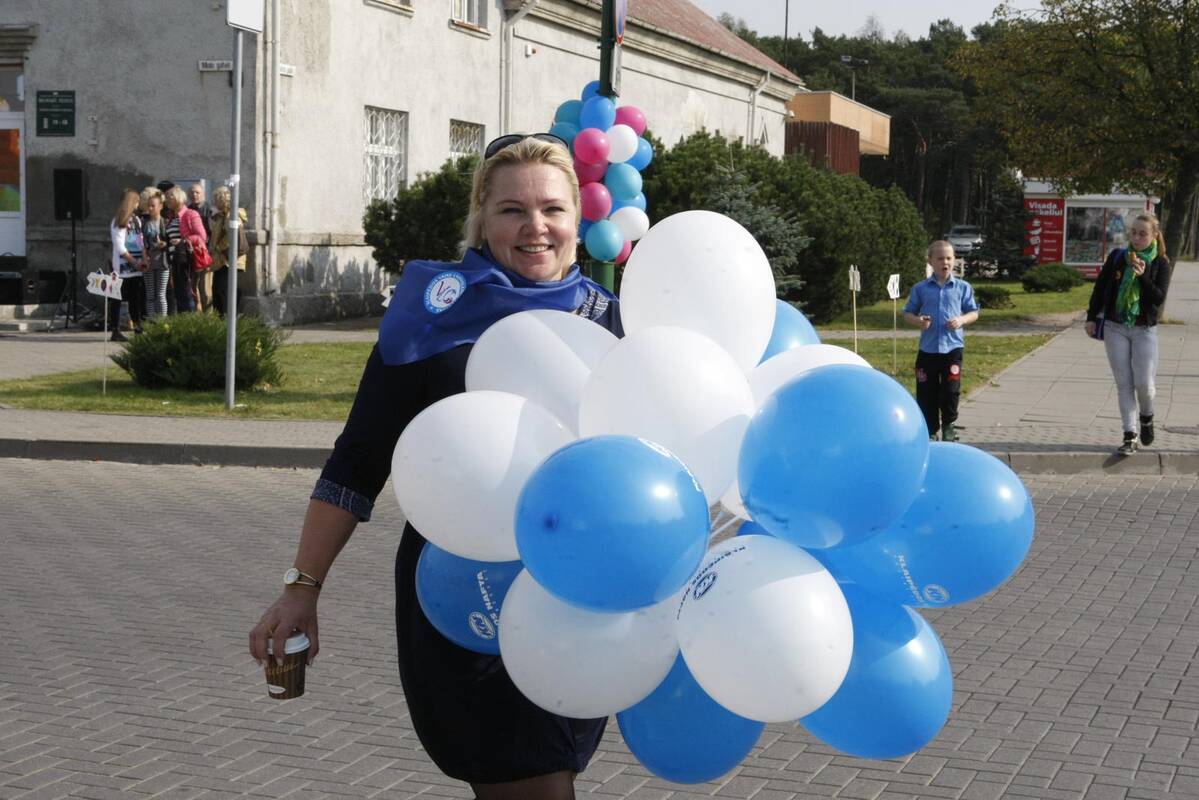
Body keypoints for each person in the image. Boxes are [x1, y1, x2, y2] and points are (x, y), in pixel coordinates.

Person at [248, 134, 621, 800]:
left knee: (550, 770)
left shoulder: (611, 324)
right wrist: (301, 587)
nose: (535, 227)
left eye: (552, 209)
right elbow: (358, 461)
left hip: (579, 594)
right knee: (529, 777)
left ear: (578, 219)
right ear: (481, 218)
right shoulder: (432, 317)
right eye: (512, 210)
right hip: (465, 594)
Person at [1085, 212, 1172, 455]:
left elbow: (1158, 298)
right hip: (1115, 326)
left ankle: (1147, 416)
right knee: (1124, 384)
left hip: (1144, 329)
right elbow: (1101, 288)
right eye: (1133, 232)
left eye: (1142, 234)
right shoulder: (1118, 257)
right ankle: (1129, 435)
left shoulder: (1161, 263)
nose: (1136, 238)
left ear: (1154, 236)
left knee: (1145, 385)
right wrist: (1091, 317)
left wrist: (1142, 276)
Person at [904, 240, 980, 442]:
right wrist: (919, 321)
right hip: (928, 350)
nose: (945, 262)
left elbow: (973, 312)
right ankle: (929, 429)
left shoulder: (962, 287)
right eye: (940, 258)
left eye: (948, 258)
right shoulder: (921, 288)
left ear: (954, 260)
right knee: (926, 392)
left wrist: (961, 320)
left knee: (950, 390)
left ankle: (949, 426)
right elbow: (908, 313)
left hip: (952, 349)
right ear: (930, 261)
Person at [107, 188, 146, 341]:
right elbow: (120, 247)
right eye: (137, 202)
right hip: (122, 267)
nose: (138, 205)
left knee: (135, 298)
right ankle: (115, 330)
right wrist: (134, 262)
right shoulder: (118, 221)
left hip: (136, 266)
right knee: (116, 298)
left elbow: (140, 241)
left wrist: (144, 259)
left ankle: (137, 326)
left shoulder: (136, 220)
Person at [163, 186, 206, 313]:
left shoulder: (190, 214)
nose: (166, 200)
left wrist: (183, 241)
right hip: (174, 259)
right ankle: (183, 322)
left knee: (187, 294)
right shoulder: (172, 217)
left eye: (169, 197)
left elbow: (202, 236)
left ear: (177, 198)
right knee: (179, 295)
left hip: (186, 259)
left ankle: (190, 320)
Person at [210, 185, 247, 317]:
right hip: (222, 260)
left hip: (228, 260)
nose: (214, 202)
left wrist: (218, 247)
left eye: (216, 199)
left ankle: (227, 318)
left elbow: (232, 237)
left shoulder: (231, 216)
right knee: (219, 290)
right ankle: (223, 318)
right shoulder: (221, 215)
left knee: (222, 290)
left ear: (222, 200)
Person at [139, 187, 170, 319]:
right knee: (150, 295)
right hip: (149, 263)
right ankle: (152, 322)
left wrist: (165, 244)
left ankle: (162, 323)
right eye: (149, 205)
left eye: (153, 206)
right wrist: (144, 257)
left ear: (161, 206)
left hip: (163, 263)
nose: (150, 208)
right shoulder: (144, 223)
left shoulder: (166, 222)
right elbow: (141, 243)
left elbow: (172, 241)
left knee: (161, 295)